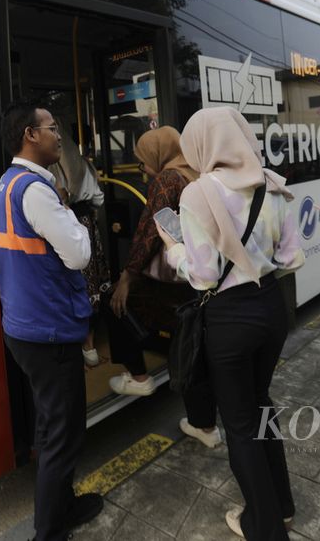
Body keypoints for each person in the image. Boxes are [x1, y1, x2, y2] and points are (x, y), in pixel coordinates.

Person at [158, 108, 305, 540]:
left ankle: (263, 528)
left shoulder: (197, 194)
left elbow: (202, 275)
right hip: (271, 308)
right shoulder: (272, 182)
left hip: (228, 317)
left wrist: (174, 250)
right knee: (261, 404)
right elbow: (290, 258)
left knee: (239, 424)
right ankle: (282, 508)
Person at [0, 102, 102, 541]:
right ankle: (50, 530)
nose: (60, 136)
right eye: (52, 128)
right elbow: (78, 254)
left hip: (24, 326)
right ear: (29, 136)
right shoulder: (37, 191)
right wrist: (71, 213)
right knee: (64, 432)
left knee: (49, 425)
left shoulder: (8, 183)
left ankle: (60, 505)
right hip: (49, 330)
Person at [106, 126, 221, 448]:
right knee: (192, 347)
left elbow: (149, 231)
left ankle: (139, 378)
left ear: (158, 154)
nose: (141, 170)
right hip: (199, 277)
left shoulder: (167, 179)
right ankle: (205, 425)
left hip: (175, 277)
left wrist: (127, 276)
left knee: (115, 303)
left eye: (142, 162)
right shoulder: (196, 173)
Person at [49, 123, 109, 368]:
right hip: (87, 227)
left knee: (69, 286)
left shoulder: (47, 169)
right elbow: (99, 198)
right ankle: (90, 347)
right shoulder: (83, 165)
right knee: (90, 285)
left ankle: (76, 350)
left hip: (63, 228)